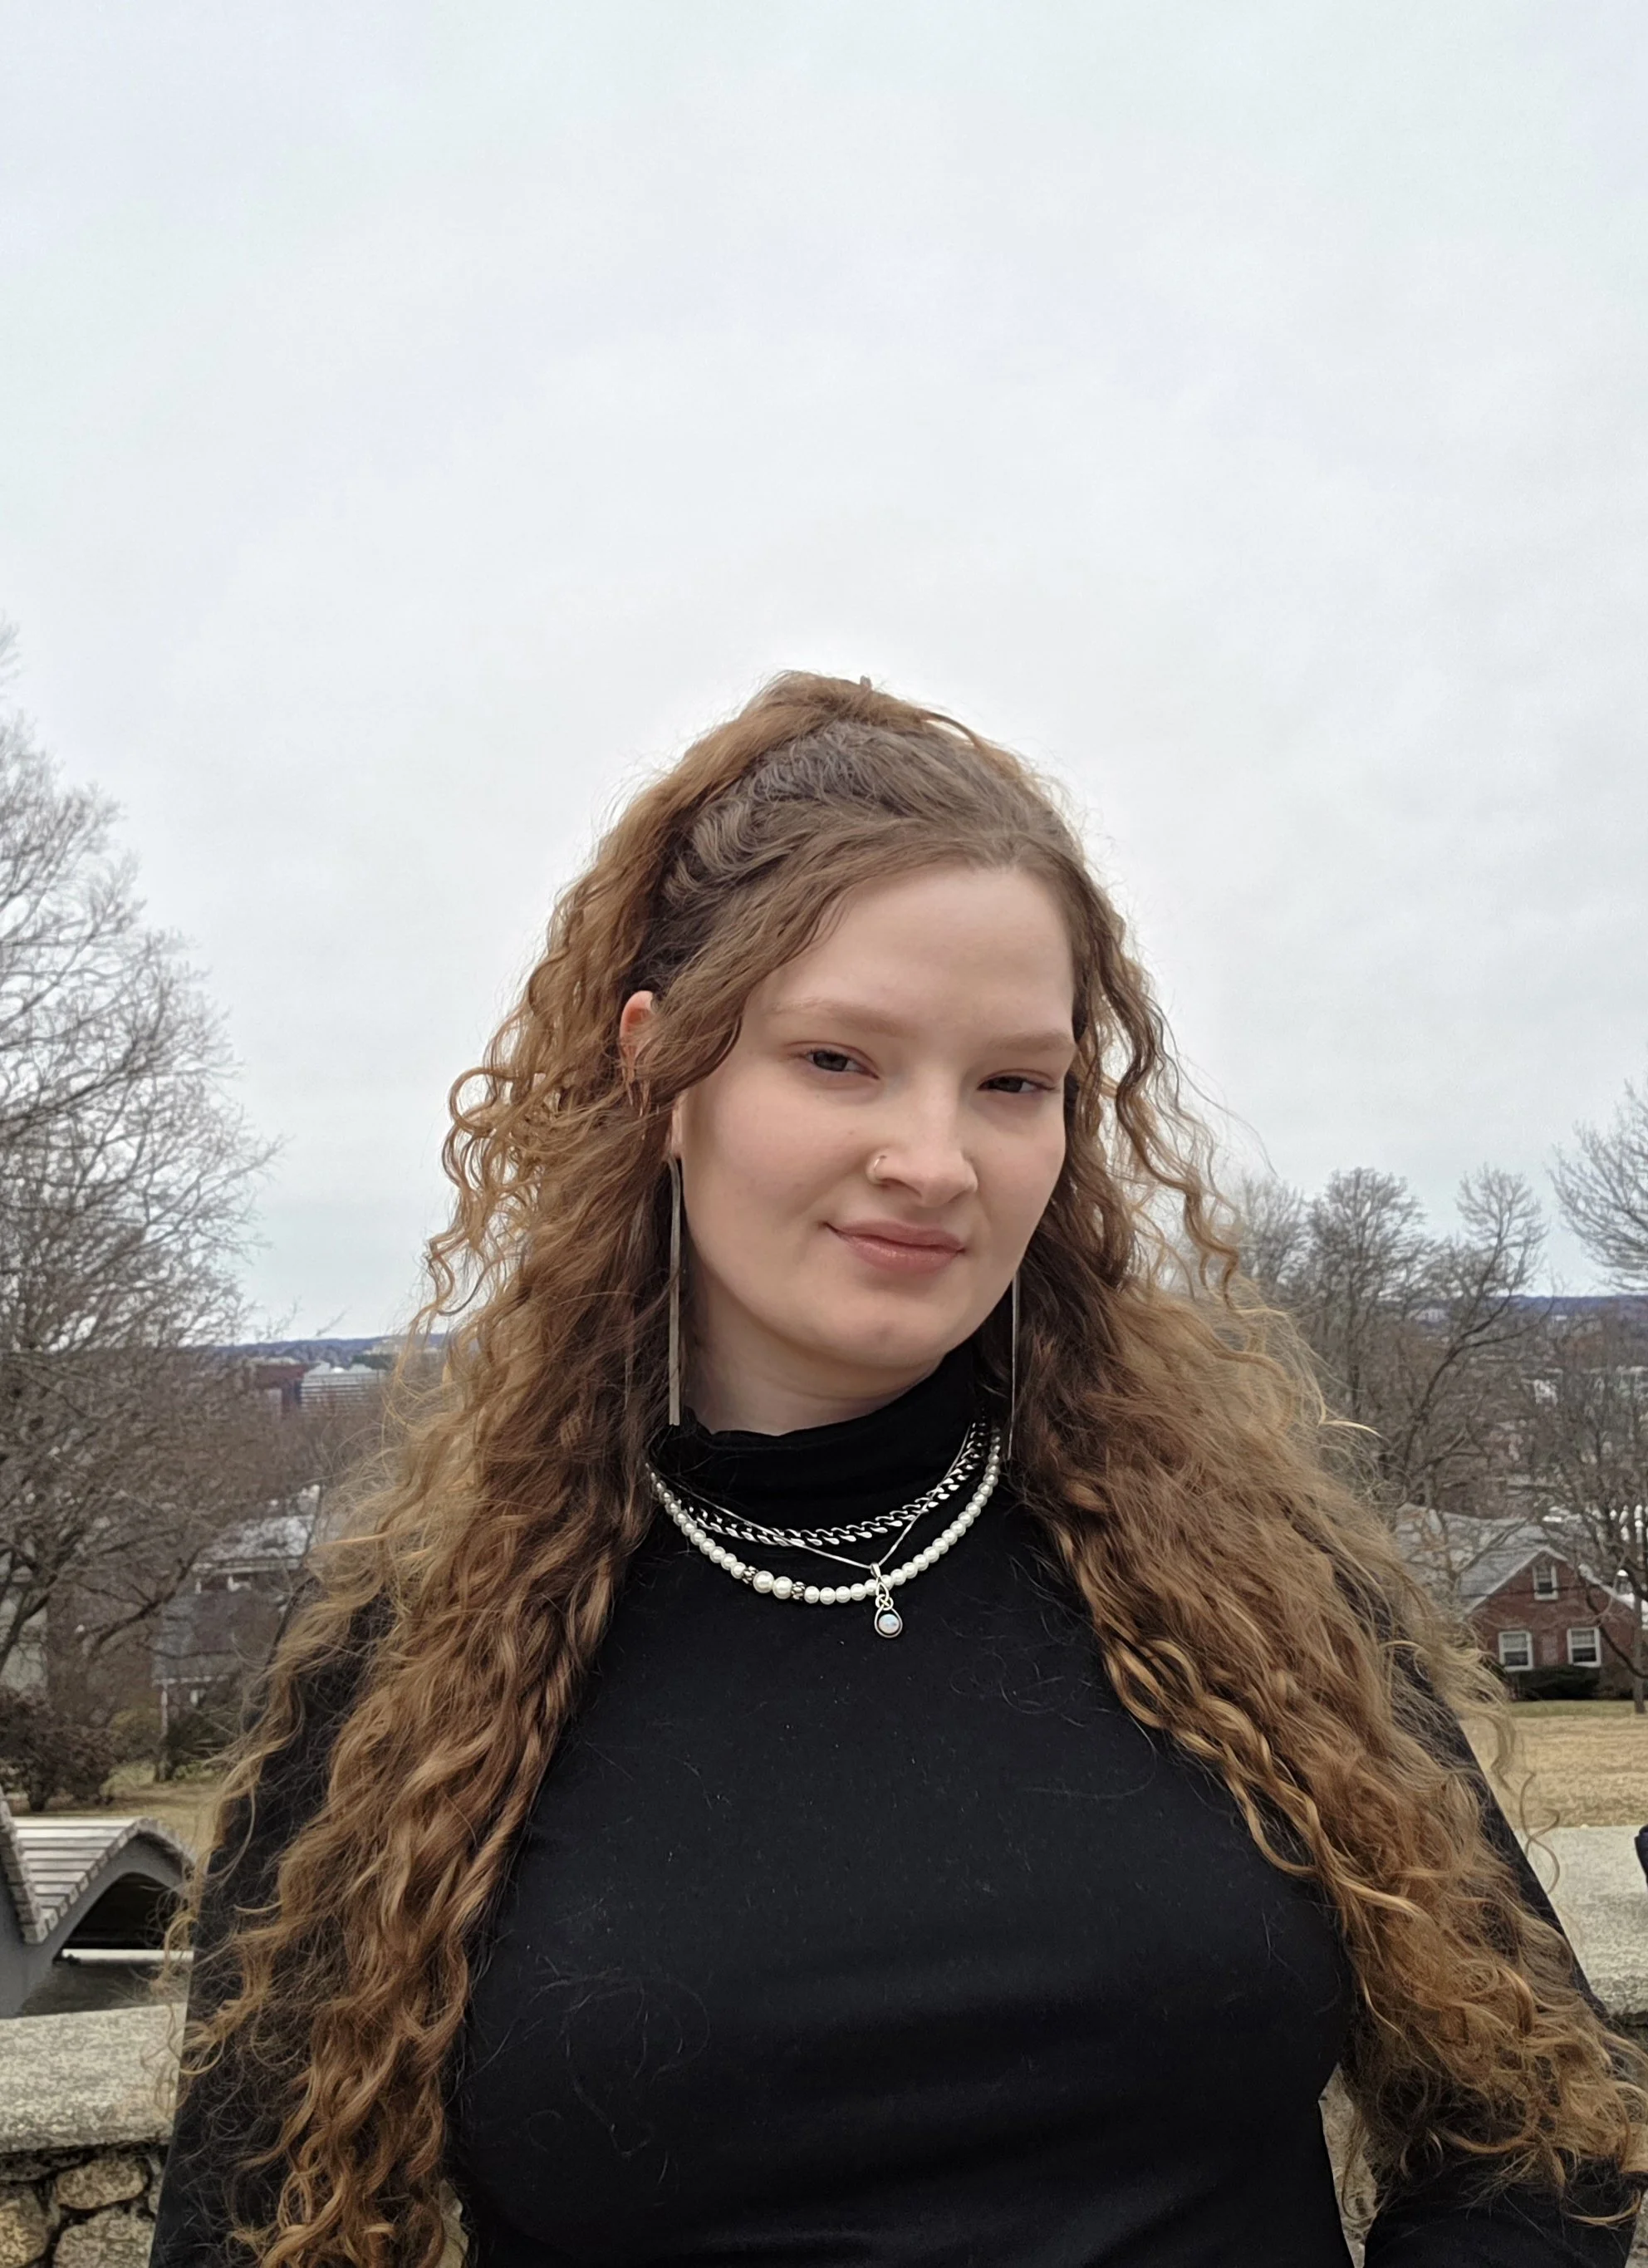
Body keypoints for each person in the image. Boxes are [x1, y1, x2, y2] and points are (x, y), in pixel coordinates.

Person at [155, 673, 1645, 2266]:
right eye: (838, 1059)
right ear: (662, 1072)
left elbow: (1539, 2141)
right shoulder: (414, 1686)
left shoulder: (1256, 1593)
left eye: (1013, 1082)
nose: (935, 1161)